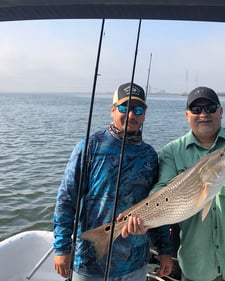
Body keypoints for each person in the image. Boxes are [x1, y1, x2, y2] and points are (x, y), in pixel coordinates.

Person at [123, 86, 225, 281]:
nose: (203, 114)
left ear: (221, 111)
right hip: (197, 268)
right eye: (196, 110)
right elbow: (161, 189)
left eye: (210, 108)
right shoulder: (172, 151)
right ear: (187, 115)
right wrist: (141, 218)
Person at [53, 82, 173, 281]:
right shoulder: (90, 146)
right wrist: (61, 247)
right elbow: (66, 199)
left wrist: (164, 251)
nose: (132, 115)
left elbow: (157, 206)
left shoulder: (150, 155)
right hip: (89, 261)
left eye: (138, 109)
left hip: (135, 262)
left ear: (144, 113)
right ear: (112, 110)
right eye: (125, 108)